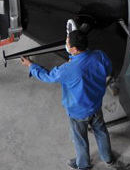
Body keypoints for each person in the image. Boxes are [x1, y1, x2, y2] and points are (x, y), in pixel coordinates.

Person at [21, 30, 114, 169]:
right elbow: (107, 71)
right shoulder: (100, 55)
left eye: (67, 43)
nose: (65, 44)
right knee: (101, 131)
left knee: (80, 140)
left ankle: (83, 165)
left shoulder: (68, 69)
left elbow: (47, 76)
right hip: (96, 105)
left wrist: (31, 65)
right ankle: (108, 158)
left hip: (78, 112)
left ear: (75, 49)